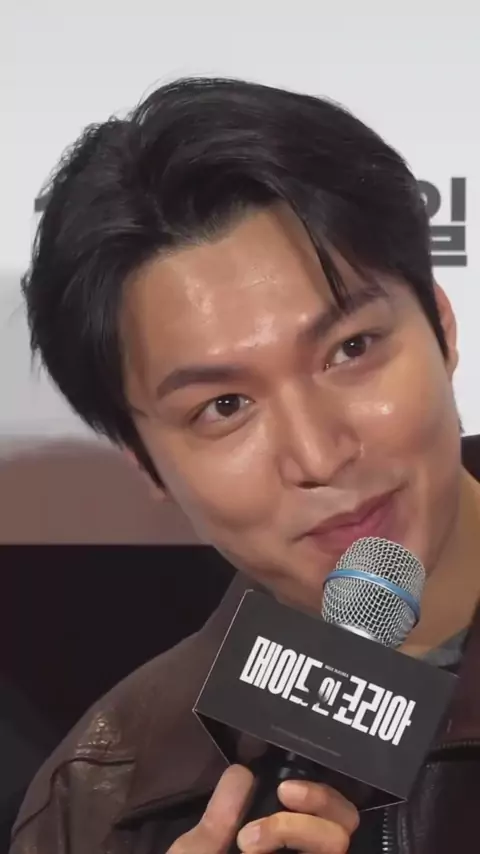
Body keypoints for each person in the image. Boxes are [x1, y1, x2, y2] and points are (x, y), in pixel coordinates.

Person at [10, 76, 480, 854]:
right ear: (147, 466)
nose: (318, 453)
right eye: (224, 406)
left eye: (351, 349)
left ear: (442, 325)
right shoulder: (103, 798)